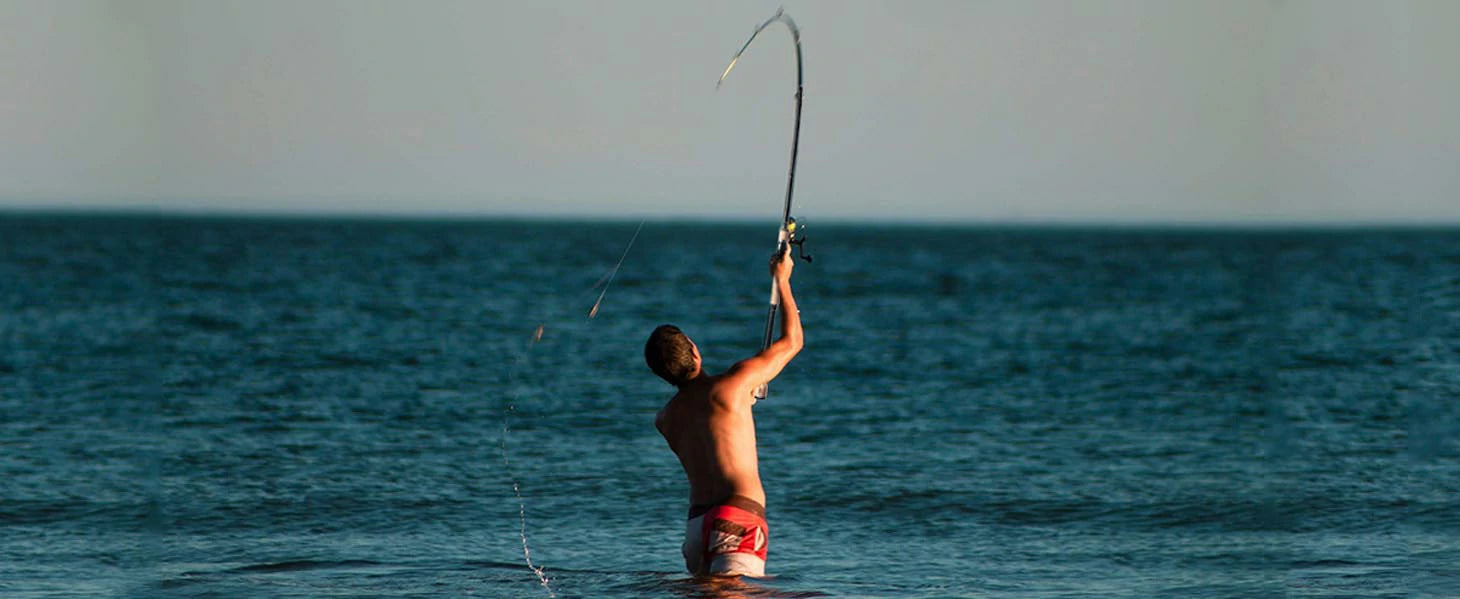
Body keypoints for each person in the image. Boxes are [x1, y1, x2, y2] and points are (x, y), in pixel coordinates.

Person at [646, 244, 803, 578]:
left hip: (696, 528)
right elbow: (792, 342)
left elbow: (708, 421)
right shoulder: (733, 385)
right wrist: (782, 279)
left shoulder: (665, 420)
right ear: (694, 351)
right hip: (737, 518)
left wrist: (743, 397)